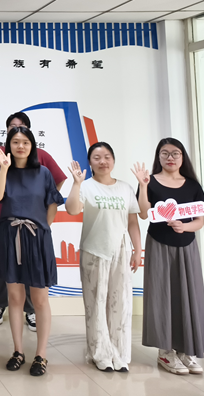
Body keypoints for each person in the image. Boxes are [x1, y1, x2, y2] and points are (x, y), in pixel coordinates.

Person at [0, 103, 66, 331]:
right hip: (3, 221)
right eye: (12, 128)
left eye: (22, 128)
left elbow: (57, 181)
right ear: (7, 133)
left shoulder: (40, 157)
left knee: (32, 272)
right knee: (2, 267)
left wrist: (42, 215)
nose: (19, 142)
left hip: (33, 226)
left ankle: (30, 310)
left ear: (30, 134)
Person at [132, 138, 204, 375]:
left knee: (188, 296)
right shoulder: (150, 181)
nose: (170, 157)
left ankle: (186, 351)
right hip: (159, 244)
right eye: (165, 153)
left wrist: (184, 227)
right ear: (158, 156)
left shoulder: (192, 185)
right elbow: (143, 213)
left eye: (175, 153)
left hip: (187, 246)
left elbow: (199, 221)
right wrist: (143, 186)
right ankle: (165, 352)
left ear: (182, 157)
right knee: (162, 296)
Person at [0, 127, 63, 377]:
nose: (20, 146)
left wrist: (43, 228)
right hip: (10, 236)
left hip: (36, 238)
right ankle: (18, 351)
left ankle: (41, 355)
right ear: (8, 145)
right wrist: (4, 168)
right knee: (14, 297)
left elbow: (52, 203)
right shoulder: (3, 171)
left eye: (25, 142)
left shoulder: (43, 172)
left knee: (40, 300)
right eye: (15, 142)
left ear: (32, 146)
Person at [66, 142, 142, 372]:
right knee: (95, 305)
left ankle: (120, 354)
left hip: (121, 250)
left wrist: (138, 250)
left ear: (113, 160)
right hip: (94, 249)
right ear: (90, 162)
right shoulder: (86, 186)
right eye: (97, 157)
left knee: (120, 304)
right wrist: (76, 184)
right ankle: (100, 353)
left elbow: (132, 222)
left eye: (107, 156)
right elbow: (72, 209)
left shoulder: (125, 188)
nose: (103, 161)